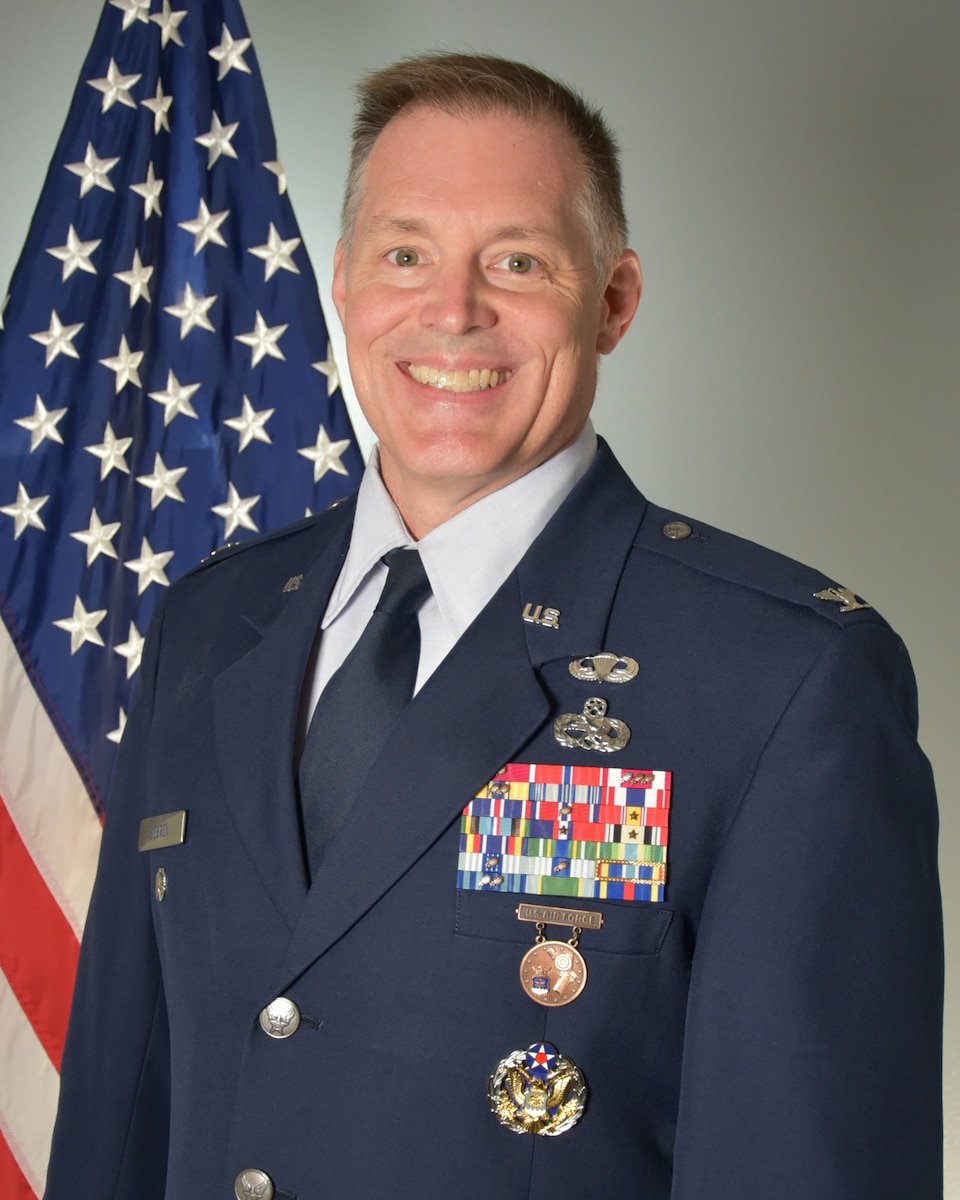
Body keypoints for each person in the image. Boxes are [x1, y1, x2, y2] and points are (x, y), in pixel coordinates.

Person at [45, 52, 942, 1200]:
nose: (453, 311)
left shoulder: (784, 680)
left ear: (612, 301)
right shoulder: (210, 628)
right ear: (345, 285)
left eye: (516, 261)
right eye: (405, 254)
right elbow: (123, 1115)